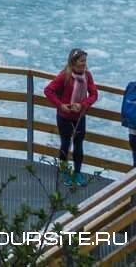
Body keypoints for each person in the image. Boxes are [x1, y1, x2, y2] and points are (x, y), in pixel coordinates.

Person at [45, 48, 100, 188]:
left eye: (85, 61)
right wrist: (60, 105)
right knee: (65, 144)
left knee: (79, 145)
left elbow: (94, 94)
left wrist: (82, 105)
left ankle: (77, 173)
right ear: (73, 62)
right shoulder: (65, 76)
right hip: (64, 117)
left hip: (80, 116)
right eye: (82, 61)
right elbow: (48, 90)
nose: (84, 64)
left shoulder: (87, 75)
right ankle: (64, 172)